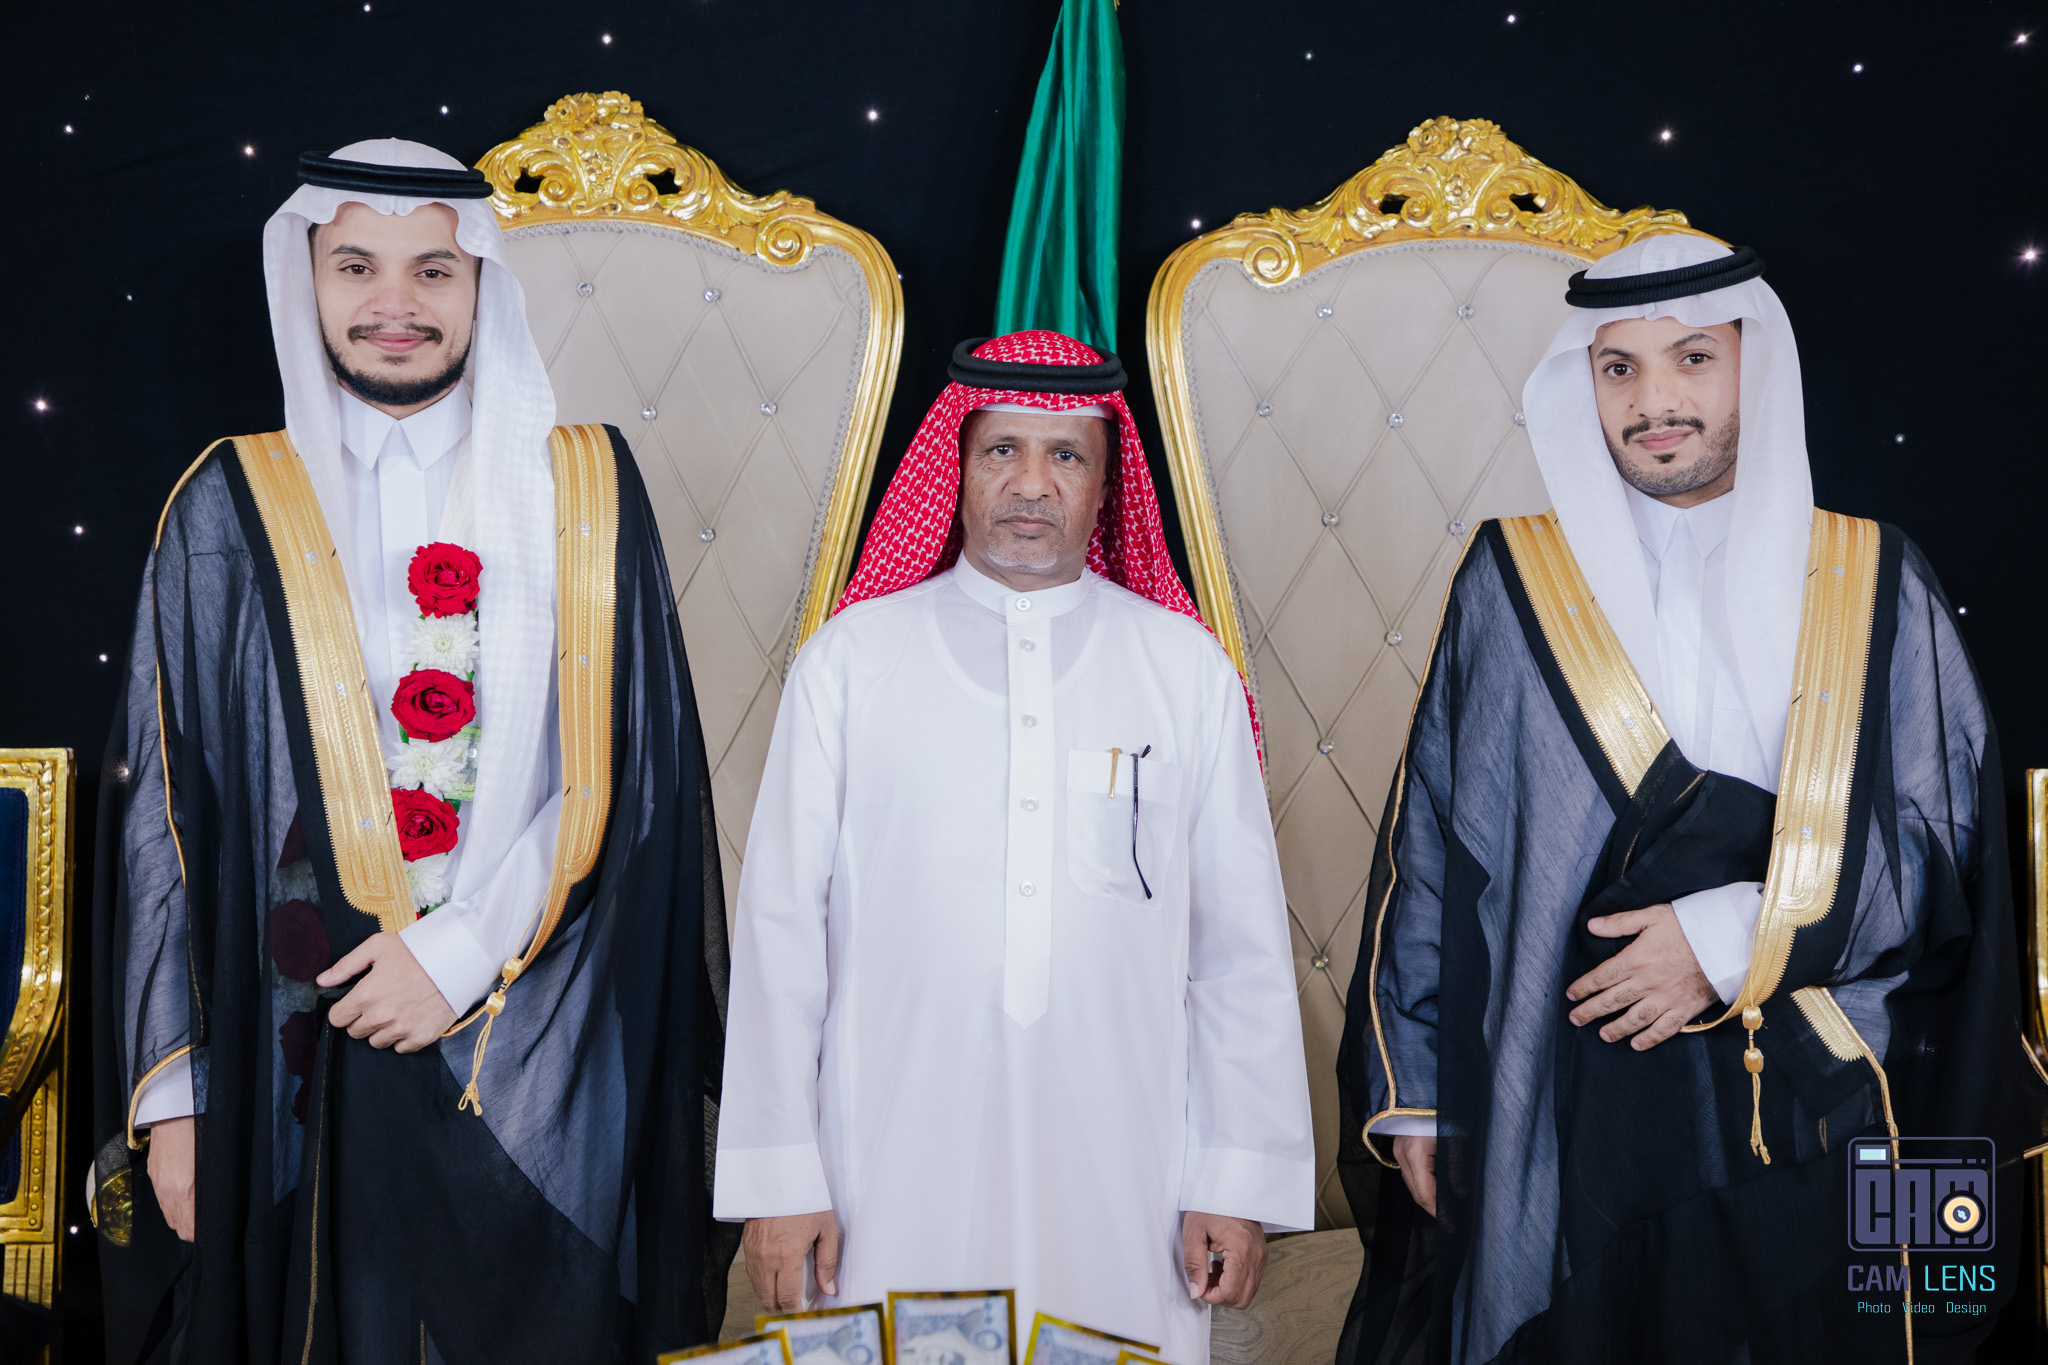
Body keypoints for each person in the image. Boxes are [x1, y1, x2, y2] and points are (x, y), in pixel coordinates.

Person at [1334, 236, 2048, 1363]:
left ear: (1753, 366)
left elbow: (1940, 850)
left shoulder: (1873, 578)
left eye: (1693, 359)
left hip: (1832, 1086)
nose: (1653, 401)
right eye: (1617, 367)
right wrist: (1415, 1089)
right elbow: (1435, 847)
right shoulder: (1512, 583)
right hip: (1578, 1107)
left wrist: (1731, 939)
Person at [90, 140, 735, 1363]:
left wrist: (457, 951)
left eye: (433, 270)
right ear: (308, 281)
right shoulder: (228, 501)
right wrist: (175, 1100)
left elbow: (627, 774)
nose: (395, 302)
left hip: (533, 1029)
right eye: (357, 267)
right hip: (294, 1045)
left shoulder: (585, 487)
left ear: (481, 283)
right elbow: (165, 816)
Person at [714, 331, 1313, 1363]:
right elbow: (779, 934)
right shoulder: (849, 662)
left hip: (1127, 1170)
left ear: (1105, 483)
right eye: (1002, 450)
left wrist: (1237, 1177)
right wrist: (778, 1180)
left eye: (1065, 455)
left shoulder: (1184, 671)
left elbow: (1239, 952)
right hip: (880, 1162)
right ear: (955, 467)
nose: (1031, 484)